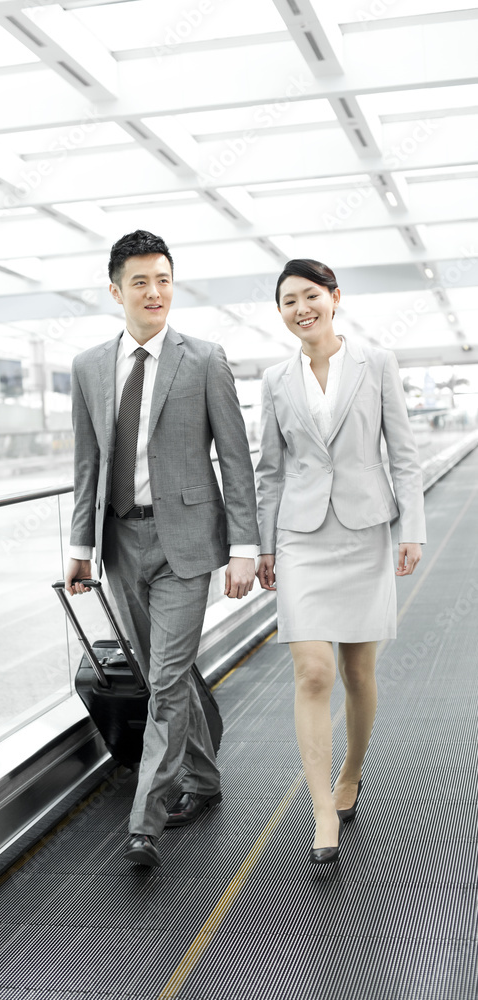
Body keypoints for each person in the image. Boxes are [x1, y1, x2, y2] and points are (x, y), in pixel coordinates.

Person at [65, 230, 258, 867]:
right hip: (120, 541)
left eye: (164, 280)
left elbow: (235, 459)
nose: (155, 292)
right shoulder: (90, 367)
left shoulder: (203, 358)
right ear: (116, 290)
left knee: (169, 678)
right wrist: (80, 545)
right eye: (141, 282)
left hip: (187, 544)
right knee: (160, 678)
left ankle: (145, 818)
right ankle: (204, 780)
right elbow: (87, 462)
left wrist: (243, 547)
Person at [255, 259, 425, 864]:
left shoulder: (376, 364)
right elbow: (269, 470)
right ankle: (322, 805)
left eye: (309, 296)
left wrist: (413, 527)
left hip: (365, 531)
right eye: (287, 301)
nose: (300, 308)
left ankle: (351, 771)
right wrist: (265, 546)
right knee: (312, 673)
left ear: (334, 298)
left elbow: (402, 453)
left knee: (357, 672)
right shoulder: (276, 379)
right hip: (301, 536)